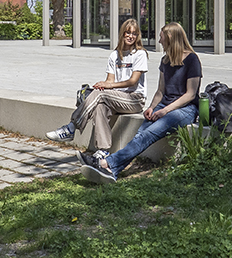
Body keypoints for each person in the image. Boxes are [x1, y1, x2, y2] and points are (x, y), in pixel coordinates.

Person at [81, 22, 201, 184]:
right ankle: (112, 171)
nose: (159, 41)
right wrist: (152, 107)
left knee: (147, 134)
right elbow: (160, 91)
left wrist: (164, 111)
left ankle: (106, 163)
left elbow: (190, 94)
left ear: (170, 38)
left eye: (161, 38)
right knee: (140, 135)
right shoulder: (165, 60)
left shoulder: (192, 60)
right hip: (164, 106)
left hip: (185, 109)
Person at [46, 18, 148, 162]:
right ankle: (103, 151)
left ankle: (72, 127)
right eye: (127, 33)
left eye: (134, 33)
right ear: (122, 34)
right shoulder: (114, 55)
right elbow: (110, 81)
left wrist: (108, 87)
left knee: (101, 95)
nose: (130, 36)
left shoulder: (140, 54)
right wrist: (101, 85)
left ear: (138, 36)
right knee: (100, 106)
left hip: (135, 99)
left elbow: (133, 81)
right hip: (116, 97)